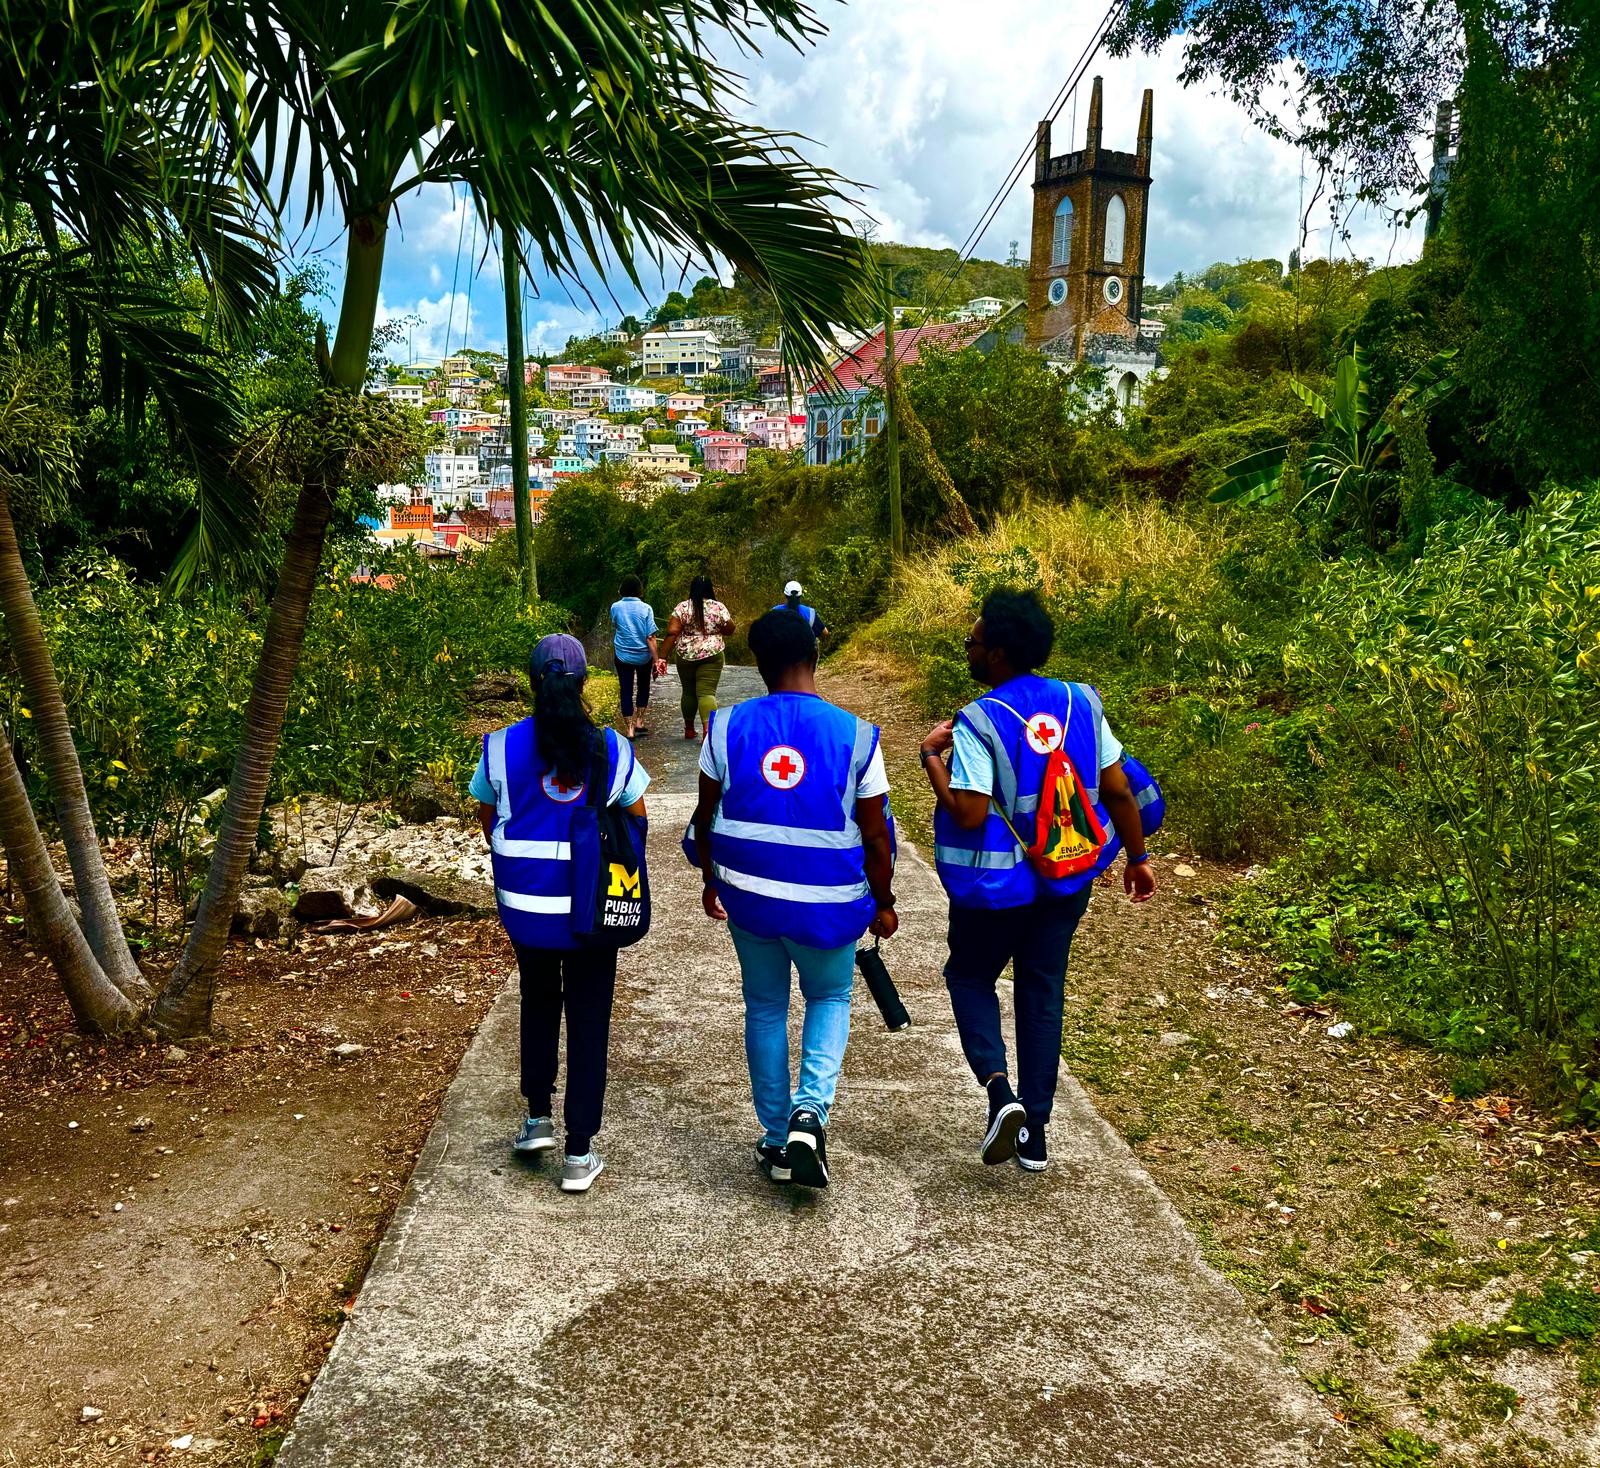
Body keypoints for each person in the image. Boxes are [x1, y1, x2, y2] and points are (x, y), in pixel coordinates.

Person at [918, 588, 1155, 1174]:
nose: (968, 649)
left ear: (997, 653)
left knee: (970, 975)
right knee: (1042, 990)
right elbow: (1117, 788)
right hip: (1067, 878)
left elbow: (969, 812)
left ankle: (1001, 1094)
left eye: (972, 642)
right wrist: (1137, 857)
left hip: (997, 890)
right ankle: (1036, 1132)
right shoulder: (1082, 701)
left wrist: (931, 759)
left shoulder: (980, 720)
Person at [691, 609, 897, 1189]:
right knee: (829, 996)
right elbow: (876, 836)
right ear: (815, 655)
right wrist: (883, 902)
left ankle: (777, 1136)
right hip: (829, 907)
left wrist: (711, 880)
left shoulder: (725, 728)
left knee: (764, 1006)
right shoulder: (856, 735)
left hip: (750, 899)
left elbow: (706, 817)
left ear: (759, 664)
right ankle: (810, 1115)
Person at [470, 633, 650, 1194]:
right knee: (590, 1018)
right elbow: (638, 819)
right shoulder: (610, 748)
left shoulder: (499, 747)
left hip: (526, 909)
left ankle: (536, 1120)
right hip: (593, 909)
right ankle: (578, 1153)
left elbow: (488, 816)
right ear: (584, 682)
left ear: (532, 683)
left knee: (538, 1001)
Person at [662, 574, 734, 741]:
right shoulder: (717, 607)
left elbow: (672, 633)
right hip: (712, 654)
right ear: (710, 588)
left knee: (688, 692)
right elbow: (730, 629)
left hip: (686, 654)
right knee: (706, 693)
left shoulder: (683, 607)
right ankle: (707, 733)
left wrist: (662, 656)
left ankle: (689, 729)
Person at [609, 575, 659, 740]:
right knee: (643, 686)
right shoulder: (646, 608)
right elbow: (650, 637)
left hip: (622, 655)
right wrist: (656, 660)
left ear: (622, 589)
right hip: (643, 656)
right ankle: (639, 721)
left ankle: (629, 729)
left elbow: (615, 625)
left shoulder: (615, 607)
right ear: (639, 590)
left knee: (626, 690)